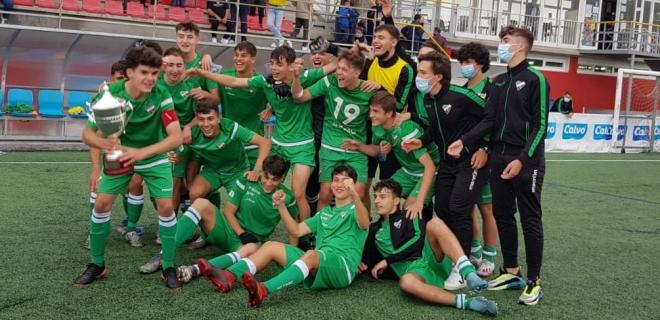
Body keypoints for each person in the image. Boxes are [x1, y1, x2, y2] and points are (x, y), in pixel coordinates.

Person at [447, 25, 549, 306]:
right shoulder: (500, 81)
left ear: (520, 46)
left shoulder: (536, 78)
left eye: (505, 41)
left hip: (527, 161)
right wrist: (464, 142)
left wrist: (522, 160)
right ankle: (512, 271)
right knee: (503, 216)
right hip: (499, 158)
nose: (500, 45)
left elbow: (541, 126)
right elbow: (489, 122)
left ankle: (534, 281)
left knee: (530, 219)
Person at [187, 45, 337, 234]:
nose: (274, 68)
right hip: (278, 144)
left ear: (291, 66)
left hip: (302, 146)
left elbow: (335, 65)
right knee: (262, 184)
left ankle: (305, 235)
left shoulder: (305, 77)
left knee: (299, 193)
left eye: (279, 64)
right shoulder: (265, 82)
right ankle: (247, 228)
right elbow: (233, 81)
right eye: (272, 63)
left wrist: (336, 49)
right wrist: (203, 73)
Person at [74, 46, 183, 290]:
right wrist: (105, 142)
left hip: (153, 155)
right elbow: (87, 135)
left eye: (155, 73)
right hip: (121, 155)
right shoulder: (111, 94)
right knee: (101, 203)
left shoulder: (162, 93)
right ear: (130, 72)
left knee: (166, 207)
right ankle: (97, 264)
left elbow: (175, 137)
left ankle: (168, 265)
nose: (151, 79)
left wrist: (141, 153)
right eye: (145, 72)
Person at [197, 166, 369, 308]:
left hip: (342, 267)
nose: (339, 184)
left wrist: (354, 194)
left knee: (311, 254)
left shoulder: (356, 210)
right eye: (336, 180)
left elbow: (364, 223)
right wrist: (281, 206)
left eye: (345, 181)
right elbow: (296, 231)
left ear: (352, 185)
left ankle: (263, 290)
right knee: (271, 246)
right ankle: (228, 276)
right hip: (318, 261)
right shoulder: (324, 213)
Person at [401, 52, 488, 290]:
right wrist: (422, 140)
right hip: (448, 164)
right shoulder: (428, 99)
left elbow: (491, 117)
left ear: (438, 76)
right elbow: (435, 128)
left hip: (471, 161)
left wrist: (483, 147)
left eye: (422, 72)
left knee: (460, 208)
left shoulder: (461, 95)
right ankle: (459, 253)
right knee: (442, 207)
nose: (418, 76)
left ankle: (463, 267)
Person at [364, 180, 498, 317]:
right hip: (414, 272)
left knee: (434, 223)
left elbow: (417, 242)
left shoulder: (410, 214)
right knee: (406, 282)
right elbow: (361, 253)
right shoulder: (374, 230)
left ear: (396, 200)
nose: (377, 201)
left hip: (430, 257)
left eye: (382, 196)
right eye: (375, 196)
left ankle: (469, 274)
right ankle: (469, 302)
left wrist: (388, 260)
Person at [174, 155, 299, 284]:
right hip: (227, 231)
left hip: (246, 245)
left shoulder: (287, 198)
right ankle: (164, 254)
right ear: (261, 171)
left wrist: (290, 260)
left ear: (283, 178)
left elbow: (293, 229)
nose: (268, 183)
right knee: (200, 203)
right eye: (266, 177)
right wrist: (241, 233)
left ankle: (193, 270)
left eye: (275, 180)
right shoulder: (247, 180)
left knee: (254, 249)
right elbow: (228, 211)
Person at [291, 50, 377, 210]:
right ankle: (321, 233)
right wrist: (296, 78)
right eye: (338, 68)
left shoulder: (369, 91)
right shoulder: (330, 81)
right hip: (330, 147)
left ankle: (357, 232)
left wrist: (380, 86)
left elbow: (387, 109)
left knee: (358, 193)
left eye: (344, 69)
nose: (339, 72)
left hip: (356, 150)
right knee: (325, 194)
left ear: (357, 72)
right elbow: (300, 96)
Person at [344, 90, 438, 220]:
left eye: (376, 111)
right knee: (383, 199)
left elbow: (430, 166)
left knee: (409, 209)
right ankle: (386, 235)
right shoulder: (377, 126)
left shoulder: (406, 129)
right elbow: (376, 151)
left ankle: (416, 237)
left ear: (388, 113)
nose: (371, 115)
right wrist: (359, 146)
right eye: (371, 110)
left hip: (428, 172)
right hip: (407, 171)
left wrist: (419, 201)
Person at [456, 42, 498, 277]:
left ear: (480, 64)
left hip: (485, 157)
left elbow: (494, 123)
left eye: (468, 62)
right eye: (462, 62)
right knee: (467, 206)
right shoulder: (462, 89)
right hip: (464, 158)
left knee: (486, 208)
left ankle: (490, 255)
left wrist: (485, 148)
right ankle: (475, 248)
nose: (464, 67)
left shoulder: (492, 89)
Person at [218, 41, 269, 169]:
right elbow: (212, 95)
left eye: (243, 55)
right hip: (229, 142)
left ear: (253, 59)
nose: (238, 59)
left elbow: (281, 101)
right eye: (236, 55)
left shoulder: (261, 83)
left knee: (255, 182)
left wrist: (271, 109)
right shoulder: (223, 77)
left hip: (254, 144)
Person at [305, 37, 339, 217]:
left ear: (332, 57)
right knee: (310, 181)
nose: (316, 57)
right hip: (311, 137)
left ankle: (331, 219)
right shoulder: (308, 76)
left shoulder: (339, 76)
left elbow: (352, 61)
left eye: (321, 53)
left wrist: (335, 49)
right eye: (313, 54)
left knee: (332, 183)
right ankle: (309, 216)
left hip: (333, 138)